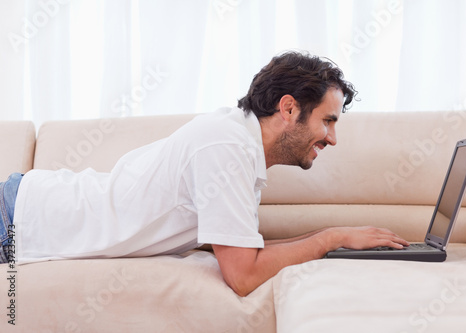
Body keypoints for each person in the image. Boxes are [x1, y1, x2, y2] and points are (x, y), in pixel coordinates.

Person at [0, 51, 408, 296]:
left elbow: (246, 251)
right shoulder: (226, 146)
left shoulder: (238, 142)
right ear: (288, 109)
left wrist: (337, 240)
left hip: (22, 210)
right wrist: (329, 239)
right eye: (328, 121)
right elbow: (243, 276)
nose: (332, 138)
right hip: (18, 218)